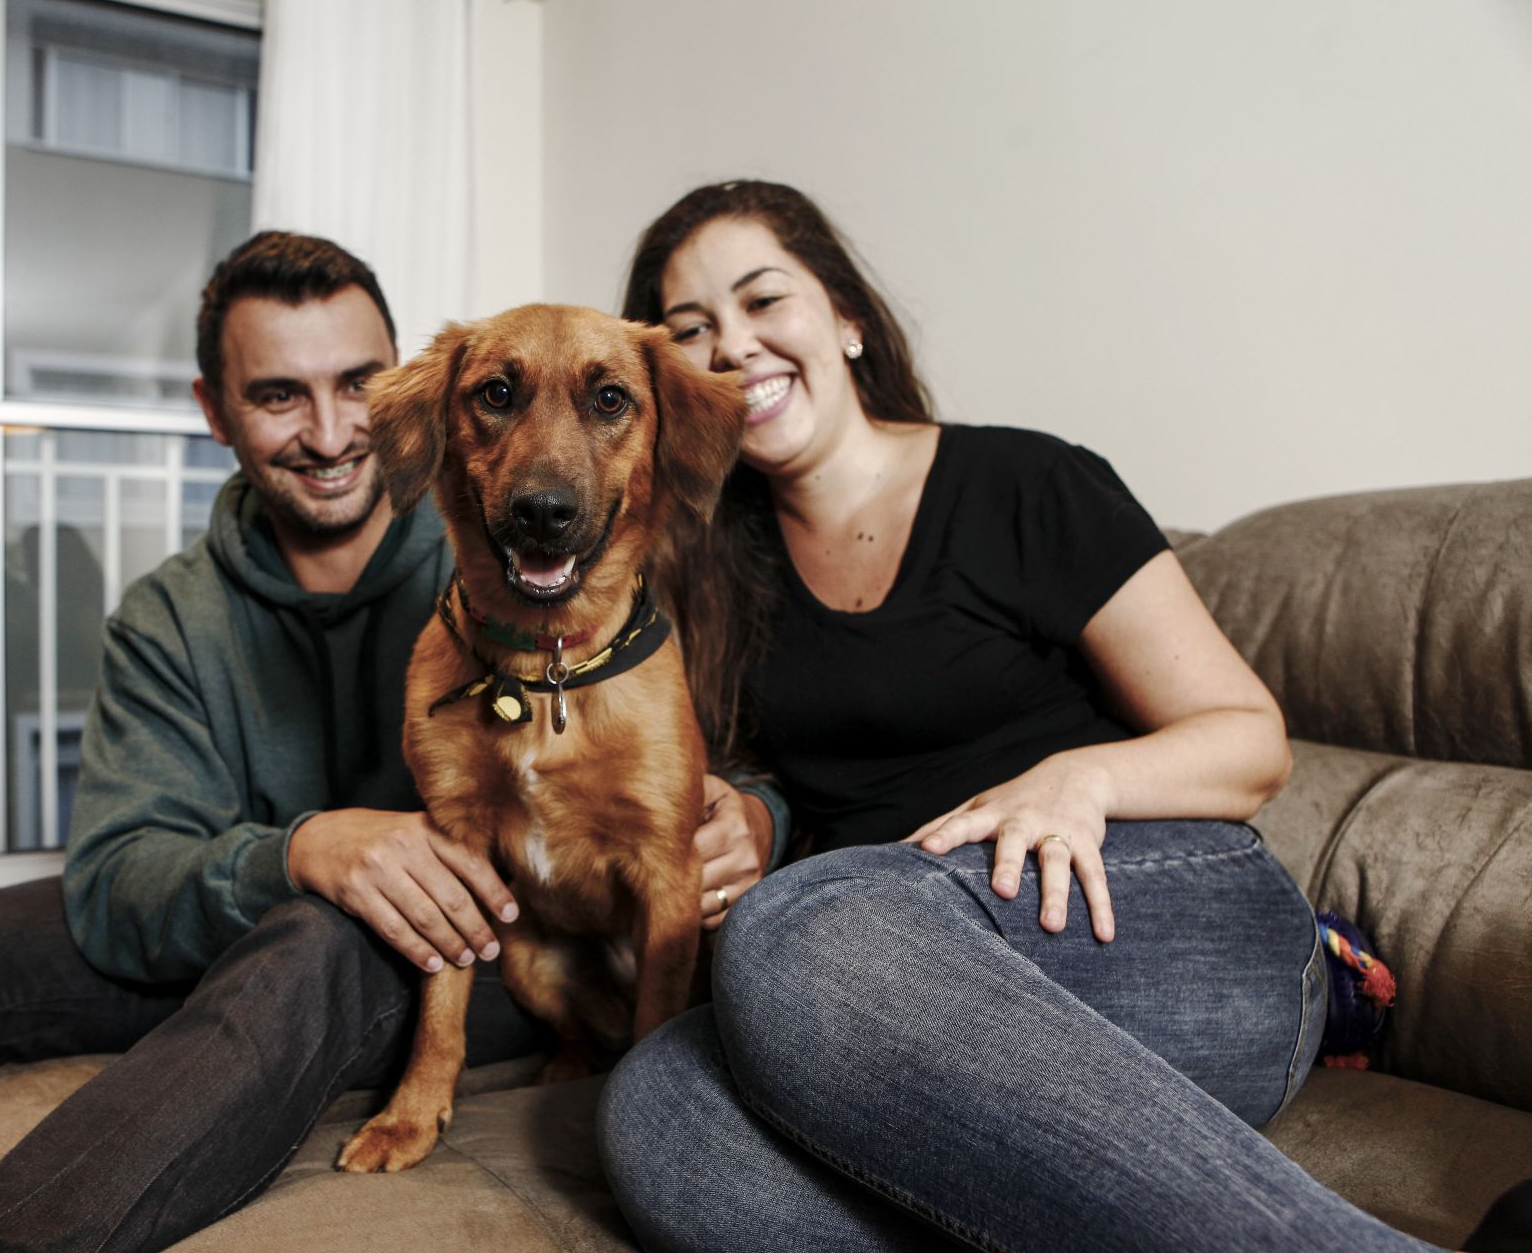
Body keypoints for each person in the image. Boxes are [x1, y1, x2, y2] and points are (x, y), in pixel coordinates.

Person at [0, 230, 785, 1253]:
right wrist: (301, 848)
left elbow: (672, 748)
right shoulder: (169, 616)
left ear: (402, 398)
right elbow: (117, 873)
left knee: (310, 942)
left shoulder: (515, 545)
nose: (330, 431)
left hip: (449, 940)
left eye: (354, 383)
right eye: (279, 394)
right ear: (215, 411)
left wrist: (754, 812)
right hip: (254, 903)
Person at [594, 181, 1455, 1252]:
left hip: (1154, 925)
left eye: (765, 300)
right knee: (661, 1105)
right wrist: (750, 824)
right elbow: (781, 789)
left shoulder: (1025, 481)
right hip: (910, 997)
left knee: (800, 932)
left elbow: (1250, 739)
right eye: (692, 333)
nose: (734, 346)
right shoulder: (707, 573)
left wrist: (1078, 777)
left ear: (848, 318)